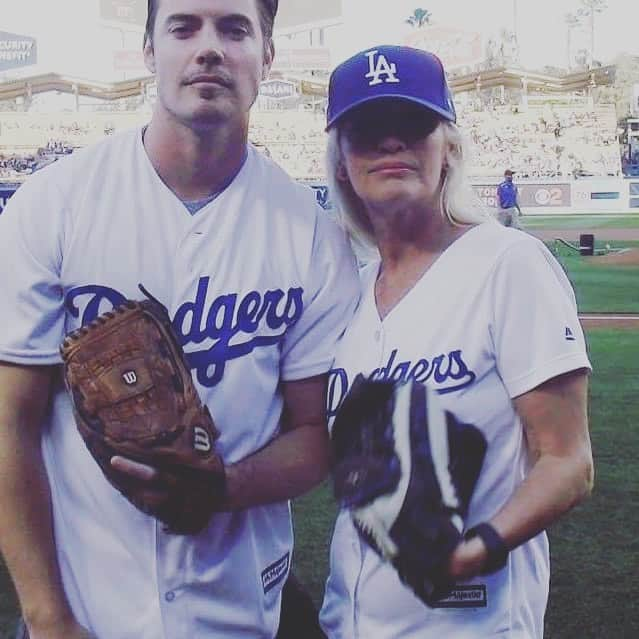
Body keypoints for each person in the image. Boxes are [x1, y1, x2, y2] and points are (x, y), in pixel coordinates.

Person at [0, 1, 359, 637]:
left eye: (235, 28)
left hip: (240, 608)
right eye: (183, 26)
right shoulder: (52, 206)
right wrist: (49, 619)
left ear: (267, 56)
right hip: (87, 607)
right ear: (148, 51)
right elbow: (10, 424)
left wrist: (227, 485)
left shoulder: (310, 235)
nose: (210, 47)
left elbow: (315, 434)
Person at [319, 45, 594, 639]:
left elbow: (568, 461)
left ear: (448, 149)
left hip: (473, 622)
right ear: (341, 160)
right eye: (368, 130)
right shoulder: (349, 293)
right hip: (351, 620)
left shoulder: (507, 263)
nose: (392, 143)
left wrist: (476, 548)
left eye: (413, 125)